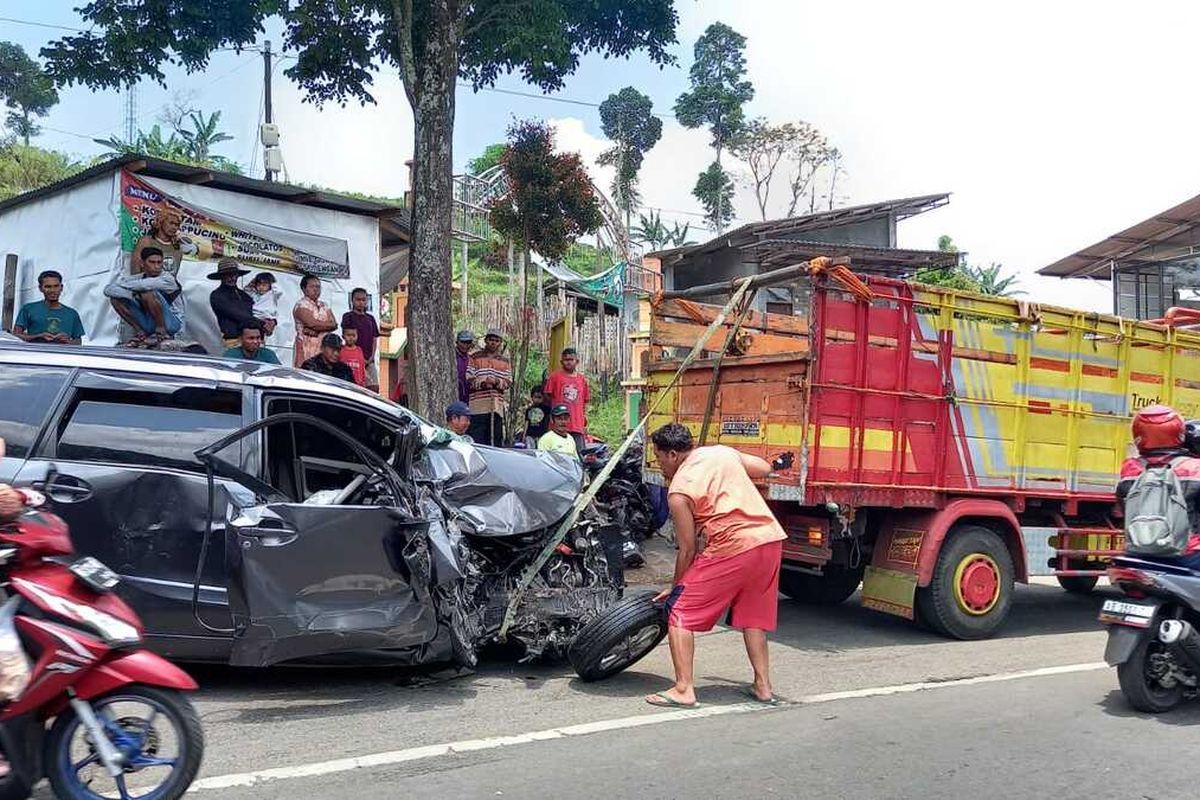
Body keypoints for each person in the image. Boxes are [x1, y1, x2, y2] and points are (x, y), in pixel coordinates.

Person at [646, 422, 786, 708]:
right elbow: (764, 468)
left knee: (680, 610)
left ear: (672, 454)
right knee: (752, 617)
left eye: (659, 458)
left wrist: (676, 588)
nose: (659, 466)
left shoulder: (678, 491)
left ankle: (683, 689)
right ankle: (763, 686)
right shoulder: (720, 452)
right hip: (769, 539)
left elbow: (687, 549)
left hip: (732, 544)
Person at [1117, 404, 1200, 569]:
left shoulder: (1130, 468)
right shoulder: (1194, 467)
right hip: (1187, 553)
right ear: (1179, 432)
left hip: (1136, 551)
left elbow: (1123, 505)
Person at [104, 247, 184, 346]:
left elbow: (144, 285)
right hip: (148, 322)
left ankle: (160, 332)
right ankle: (140, 332)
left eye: (159, 262)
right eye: (152, 262)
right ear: (142, 263)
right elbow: (108, 290)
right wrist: (132, 293)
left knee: (147, 293)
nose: (156, 266)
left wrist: (128, 289)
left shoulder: (168, 279)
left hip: (171, 324)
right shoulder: (137, 278)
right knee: (115, 300)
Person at [467, 328, 513, 446]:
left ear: (500, 343)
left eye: (497, 341)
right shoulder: (474, 357)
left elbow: (508, 382)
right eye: (491, 340)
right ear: (486, 340)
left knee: (494, 441)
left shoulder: (505, 361)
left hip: (496, 407)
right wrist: (483, 383)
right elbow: (469, 378)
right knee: (477, 440)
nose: (493, 343)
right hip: (477, 407)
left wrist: (496, 381)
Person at [13, 270, 85, 345]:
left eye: (56, 286)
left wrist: (67, 341)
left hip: (63, 352)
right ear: (40, 288)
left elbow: (78, 341)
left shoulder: (72, 314)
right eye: (48, 287)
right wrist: (37, 337)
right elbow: (16, 336)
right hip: (36, 352)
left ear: (61, 287)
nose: (52, 290)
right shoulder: (28, 309)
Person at [543, 347, 590, 450]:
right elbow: (547, 396)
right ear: (561, 362)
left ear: (577, 361)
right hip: (558, 425)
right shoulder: (554, 377)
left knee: (578, 454)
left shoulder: (582, 380)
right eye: (566, 360)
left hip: (577, 425)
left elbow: (584, 401)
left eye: (571, 360)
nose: (568, 362)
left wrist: (583, 418)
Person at [208, 259, 255, 350]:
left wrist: (269, 322)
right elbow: (237, 315)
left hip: (253, 339)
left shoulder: (244, 295)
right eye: (228, 275)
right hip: (234, 341)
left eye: (234, 275)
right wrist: (262, 323)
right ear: (222, 277)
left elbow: (251, 314)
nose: (233, 278)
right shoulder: (217, 295)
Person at [293, 274, 337, 368]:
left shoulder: (324, 305)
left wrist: (315, 329)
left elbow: (334, 324)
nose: (316, 289)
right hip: (305, 347)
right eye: (312, 286)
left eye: (318, 287)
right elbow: (312, 324)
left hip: (323, 349)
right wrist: (323, 326)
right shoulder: (301, 305)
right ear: (304, 289)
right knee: (305, 372)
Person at [342, 287, 380, 391]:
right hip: (353, 359)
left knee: (373, 388)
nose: (361, 303)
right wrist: (359, 358)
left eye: (363, 300)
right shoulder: (348, 317)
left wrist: (371, 357)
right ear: (352, 300)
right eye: (358, 300)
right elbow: (347, 336)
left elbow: (374, 338)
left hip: (369, 360)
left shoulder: (370, 319)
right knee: (354, 387)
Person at [246, 272, 282, 337]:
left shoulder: (272, 294)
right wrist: (253, 281)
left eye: (264, 285)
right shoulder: (254, 294)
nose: (261, 287)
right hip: (255, 317)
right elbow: (246, 290)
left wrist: (272, 282)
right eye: (258, 285)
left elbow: (279, 291)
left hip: (267, 318)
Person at [454, 329, 475, 403]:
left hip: (467, 395)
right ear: (457, 342)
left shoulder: (471, 359)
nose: (465, 345)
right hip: (455, 392)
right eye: (463, 342)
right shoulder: (452, 357)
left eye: (468, 342)